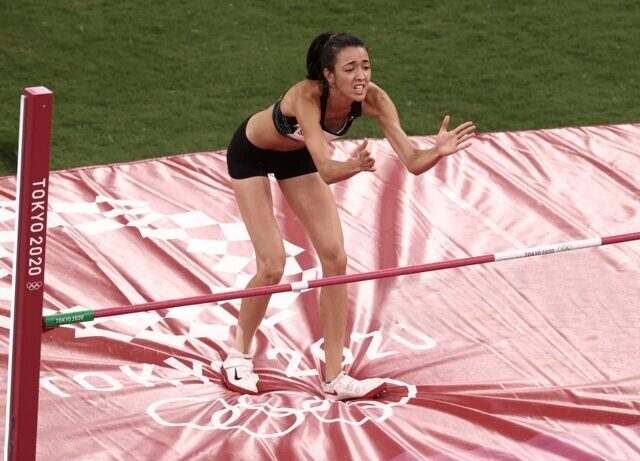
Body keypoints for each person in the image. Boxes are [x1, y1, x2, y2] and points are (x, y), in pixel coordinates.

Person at [221, 32, 475, 400]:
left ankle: (335, 376)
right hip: (251, 155)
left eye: (366, 66)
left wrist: (437, 151)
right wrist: (355, 166)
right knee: (272, 263)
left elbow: (414, 163)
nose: (361, 76)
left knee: (336, 258)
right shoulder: (306, 97)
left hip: (297, 158)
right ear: (328, 75)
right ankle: (238, 354)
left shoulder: (375, 99)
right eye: (350, 68)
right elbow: (326, 169)